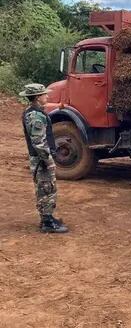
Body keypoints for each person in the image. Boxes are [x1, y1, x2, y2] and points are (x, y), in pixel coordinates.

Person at [20, 83, 69, 233]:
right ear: (37, 98)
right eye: (44, 94)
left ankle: (47, 218)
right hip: (41, 159)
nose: (47, 96)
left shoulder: (34, 112)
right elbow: (39, 143)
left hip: (40, 158)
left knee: (45, 188)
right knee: (47, 189)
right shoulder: (35, 116)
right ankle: (47, 222)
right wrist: (48, 161)